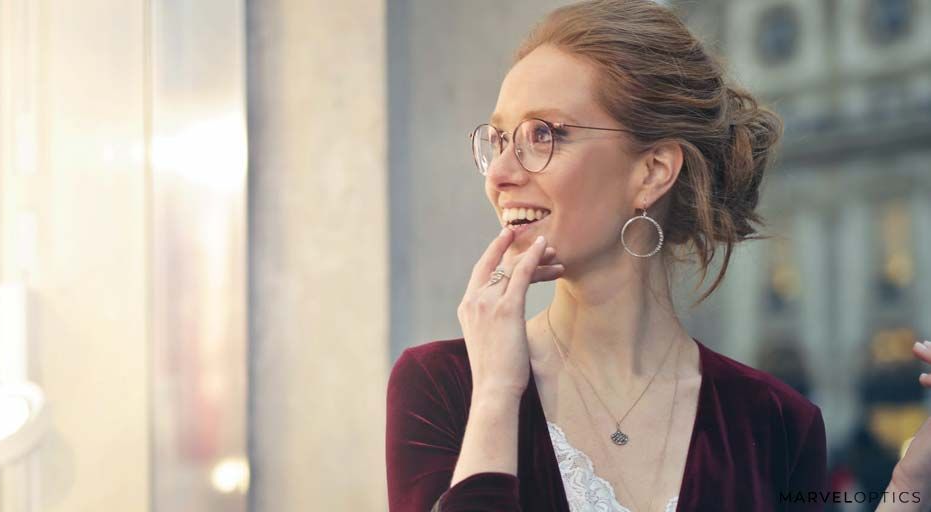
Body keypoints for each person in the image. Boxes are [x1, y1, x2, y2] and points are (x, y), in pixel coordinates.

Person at [384, 1, 931, 510]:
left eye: (543, 134)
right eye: (499, 139)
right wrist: (498, 394)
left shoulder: (776, 421)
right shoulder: (443, 383)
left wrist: (912, 484)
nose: (501, 174)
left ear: (652, 172)